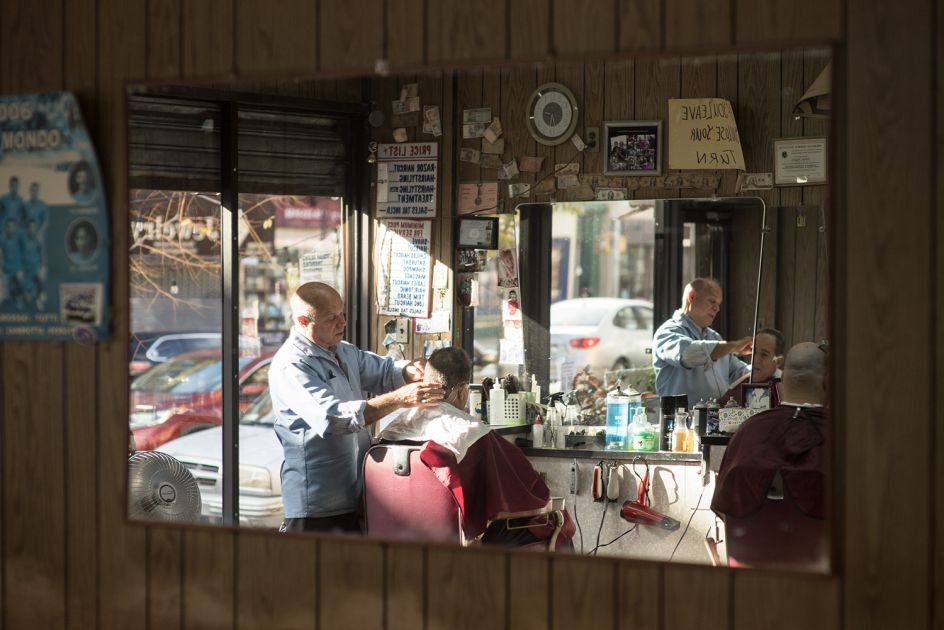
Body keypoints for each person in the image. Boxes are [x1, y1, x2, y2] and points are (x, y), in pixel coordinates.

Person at [269, 281, 443, 534]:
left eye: (343, 315)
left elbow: (383, 370)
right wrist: (400, 398)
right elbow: (334, 418)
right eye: (331, 318)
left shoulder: (343, 351)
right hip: (317, 503)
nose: (342, 324)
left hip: (358, 493)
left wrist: (407, 370)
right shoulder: (292, 365)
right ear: (303, 321)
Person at [376, 347, 575, 548]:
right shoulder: (471, 432)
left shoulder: (391, 432)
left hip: (396, 537)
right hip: (459, 542)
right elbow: (521, 490)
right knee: (558, 526)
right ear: (463, 391)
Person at [710, 342, 828, 569]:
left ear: (782, 382)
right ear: (826, 381)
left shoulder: (750, 431)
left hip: (750, 577)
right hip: (822, 581)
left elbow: (726, 506)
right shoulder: (843, 435)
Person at [652, 277, 751, 404]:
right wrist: (734, 346)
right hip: (682, 420)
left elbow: (739, 372)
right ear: (691, 296)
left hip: (719, 418)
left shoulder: (714, 337)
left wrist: (769, 367)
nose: (717, 309)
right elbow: (687, 354)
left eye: (719, 305)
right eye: (712, 301)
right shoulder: (667, 332)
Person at [718, 327, 785, 407]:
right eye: (754, 352)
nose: (756, 360)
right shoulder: (741, 381)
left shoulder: (782, 390)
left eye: (764, 354)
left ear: (778, 361)